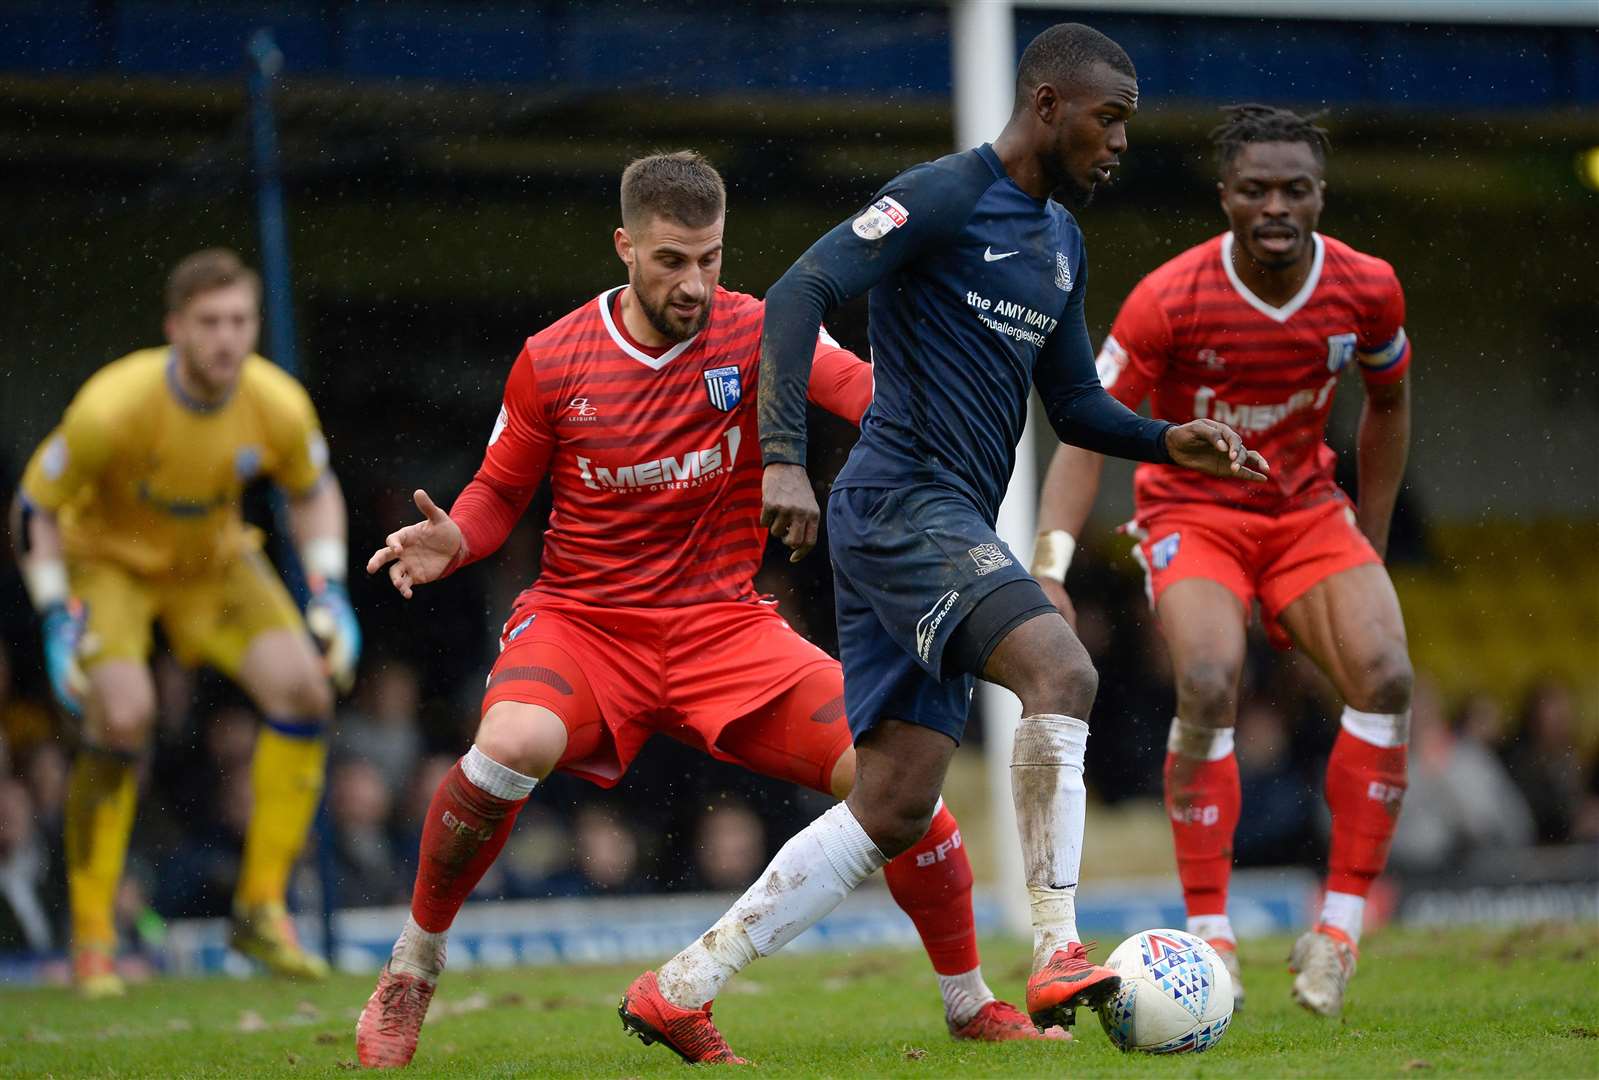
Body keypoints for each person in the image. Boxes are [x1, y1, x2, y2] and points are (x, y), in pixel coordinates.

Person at [628, 24, 1266, 1064]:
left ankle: (680, 986)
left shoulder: (1062, 243)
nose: (1119, 145)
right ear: (1050, 105)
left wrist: (1167, 438)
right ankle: (1057, 949)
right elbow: (799, 291)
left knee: (890, 803)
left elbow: (1072, 400)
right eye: (1111, 120)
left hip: (942, 519)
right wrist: (782, 456)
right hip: (897, 503)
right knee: (1062, 668)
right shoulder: (942, 196)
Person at [356, 151, 1055, 1070]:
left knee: (896, 784)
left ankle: (967, 1002)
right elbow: (493, 494)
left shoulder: (763, 332)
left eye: (710, 260)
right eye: (670, 261)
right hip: (584, 623)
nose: (693, 283)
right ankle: (414, 965)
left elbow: (870, 396)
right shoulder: (552, 358)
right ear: (624, 247)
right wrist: (458, 540)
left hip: (724, 629)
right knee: (510, 748)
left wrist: (949, 402)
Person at [1034, 104, 1417, 1017]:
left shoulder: (1366, 289)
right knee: (1207, 680)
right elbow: (1084, 429)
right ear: (1225, 198)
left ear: (1320, 196)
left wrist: (1367, 530)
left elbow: (1390, 405)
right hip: (1195, 512)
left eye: (1294, 189)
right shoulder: (1170, 297)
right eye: (1256, 189)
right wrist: (1049, 563)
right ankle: (1212, 938)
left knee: (1388, 677)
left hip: (1303, 510)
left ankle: (1336, 935)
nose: (1275, 206)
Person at [9, 248, 360, 996]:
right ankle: (94, 939)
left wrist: (329, 590)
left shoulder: (277, 402)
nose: (227, 338)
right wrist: (52, 614)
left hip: (212, 564)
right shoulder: (112, 408)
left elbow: (313, 490)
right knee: (125, 714)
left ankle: (262, 909)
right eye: (209, 322)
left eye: (240, 320)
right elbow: (33, 509)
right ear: (176, 327)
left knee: (306, 690)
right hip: (111, 566)